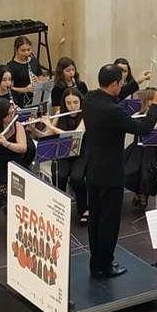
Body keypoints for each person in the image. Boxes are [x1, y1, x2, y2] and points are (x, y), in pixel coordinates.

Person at [83, 64, 157, 278]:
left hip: (93, 170)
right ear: (113, 84)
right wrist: (155, 105)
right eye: (120, 83)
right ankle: (105, 265)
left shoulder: (90, 99)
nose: (121, 86)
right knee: (109, 222)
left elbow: (113, 97)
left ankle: (95, 262)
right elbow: (143, 128)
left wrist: (135, 83)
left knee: (95, 219)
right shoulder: (114, 111)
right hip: (111, 174)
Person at [38, 87, 89, 225]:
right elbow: (45, 136)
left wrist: (52, 127)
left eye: (75, 102)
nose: (72, 106)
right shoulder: (60, 113)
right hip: (64, 153)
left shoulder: (85, 115)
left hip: (82, 153)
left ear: (80, 102)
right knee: (59, 176)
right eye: (69, 103)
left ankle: (84, 209)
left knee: (76, 178)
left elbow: (76, 135)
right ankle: (60, 210)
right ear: (64, 103)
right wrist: (35, 129)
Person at [123, 89, 157, 212]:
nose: (153, 103)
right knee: (132, 171)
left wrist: (152, 113)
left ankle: (144, 195)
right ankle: (137, 192)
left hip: (150, 150)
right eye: (150, 100)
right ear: (145, 102)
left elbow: (153, 127)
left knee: (146, 174)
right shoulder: (137, 115)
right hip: (137, 148)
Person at [7, 36, 42, 107]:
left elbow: (41, 78)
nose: (26, 53)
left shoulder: (34, 61)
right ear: (16, 50)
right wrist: (25, 89)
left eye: (28, 50)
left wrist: (38, 81)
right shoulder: (11, 66)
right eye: (23, 50)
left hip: (35, 97)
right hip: (20, 100)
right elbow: (9, 88)